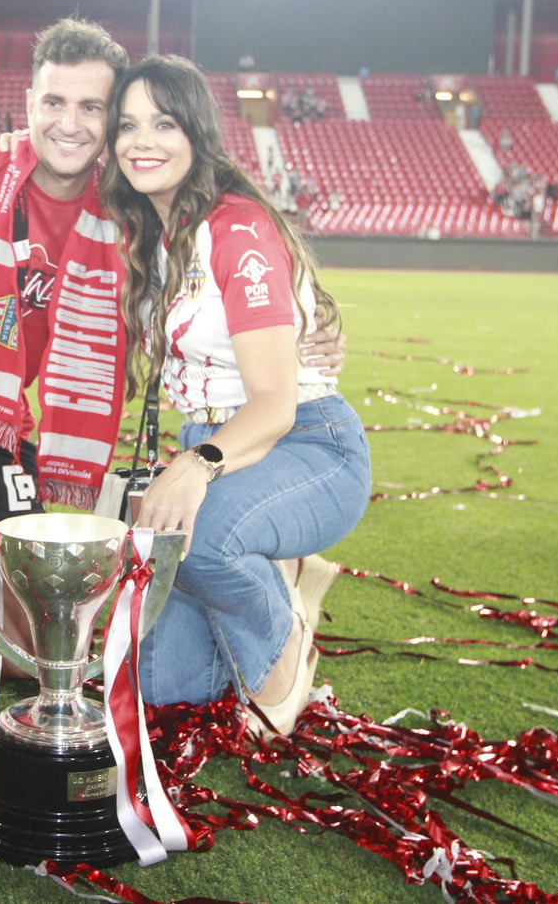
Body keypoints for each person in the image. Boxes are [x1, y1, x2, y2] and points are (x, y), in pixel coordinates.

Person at [0, 21, 345, 747]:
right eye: (55, 102)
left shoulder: (128, 213)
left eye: (93, 109)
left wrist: (313, 318)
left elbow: (228, 256)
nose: (70, 123)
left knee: (27, 656)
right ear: (27, 100)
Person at [103, 56, 371, 738]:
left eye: (163, 123)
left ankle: (288, 650)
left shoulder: (236, 226)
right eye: (127, 125)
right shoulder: (156, 238)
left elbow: (276, 403)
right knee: (164, 690)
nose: (142, 141)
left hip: (306, 445)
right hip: (220, 451)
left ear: (196, 132)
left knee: (199, 543)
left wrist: (197, 466)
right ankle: (268, 567)